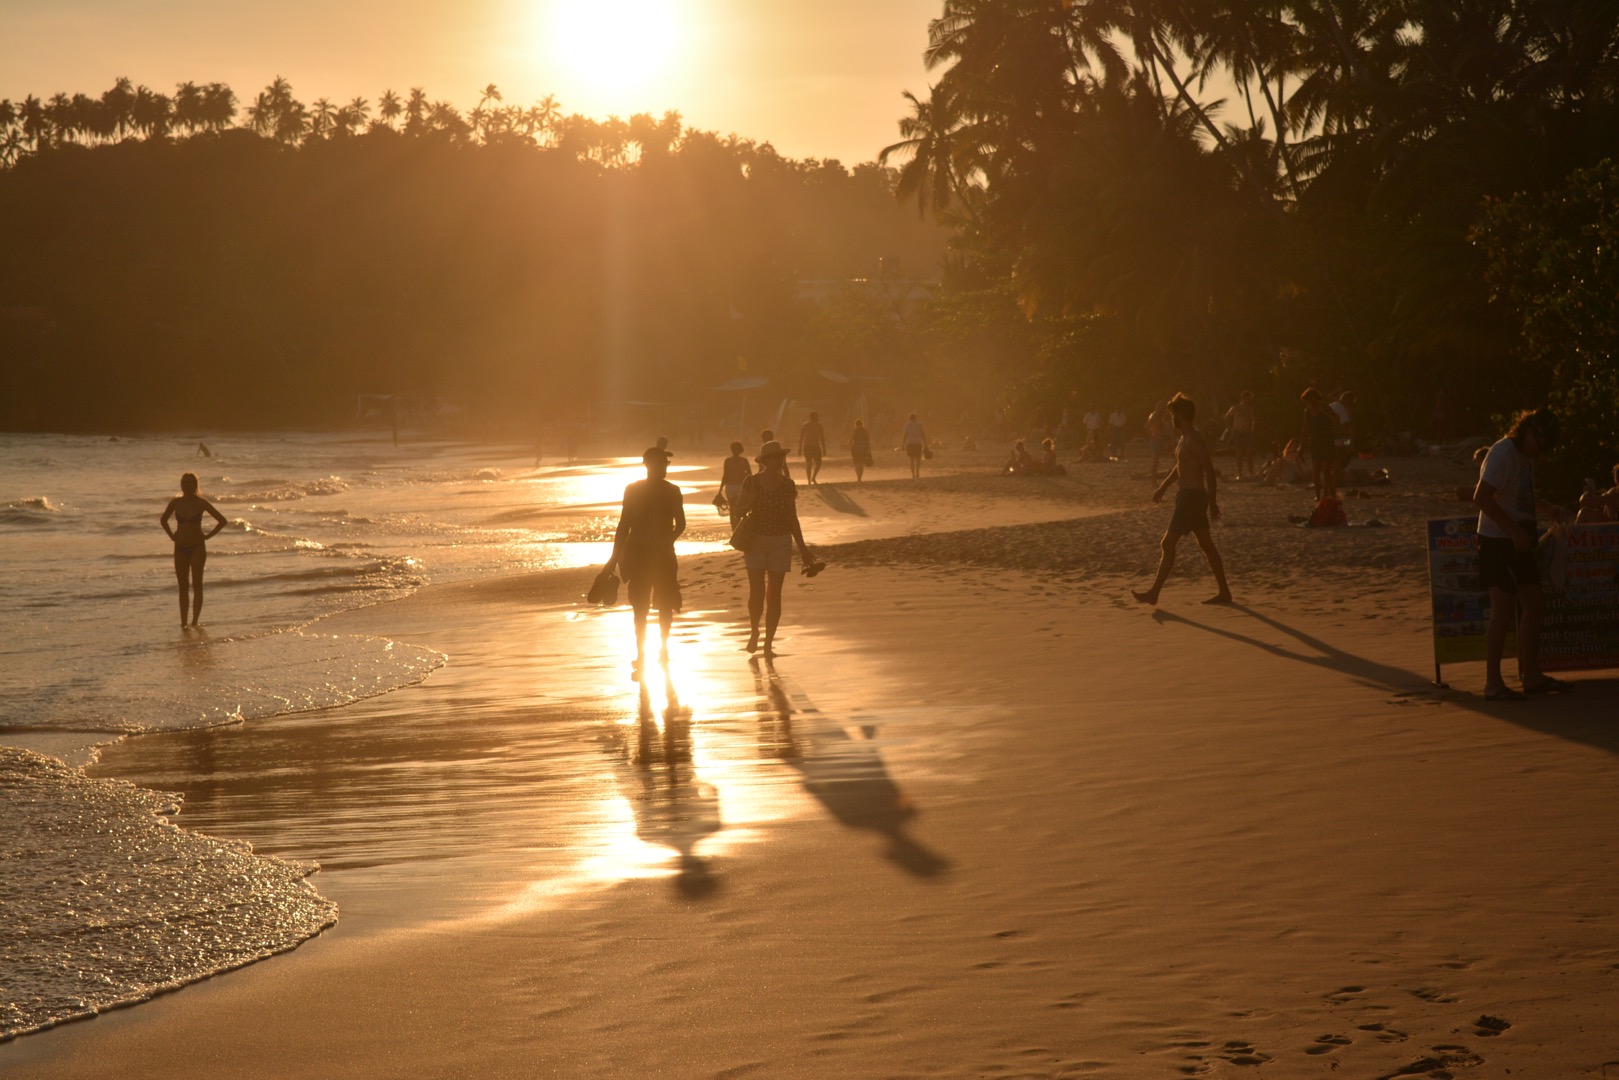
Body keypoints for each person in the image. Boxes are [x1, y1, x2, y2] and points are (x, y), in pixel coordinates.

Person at [1472, 409, 1570, 700]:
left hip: (1521, 540)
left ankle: (1531, 675)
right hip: (1498, 541)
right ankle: (1493, 683)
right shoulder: (1503, 454)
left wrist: (1550, 510)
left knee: (1535, 603)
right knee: (1502, 611)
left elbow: (1522, 496)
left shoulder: (1525, 457)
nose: (1541, 451)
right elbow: (1481, 497)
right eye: (1540, 444)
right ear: (1528, 431)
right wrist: (1513, 530)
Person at [1132, 394, 1233, 606]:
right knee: (1206, 545)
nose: (1171, 419)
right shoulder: (1182, 440)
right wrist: (1163, 486)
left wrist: (1212, 501)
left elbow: (1209, 471)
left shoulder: (1194, 440)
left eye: (1173, 415)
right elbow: (1180, 468)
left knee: (1167, 543)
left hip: (1192, 498)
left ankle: (1154, 593)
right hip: (1186, 497)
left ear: (1181, 416)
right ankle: (1224, 592)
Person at [606, 447, 687, 678]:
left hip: (653, 555)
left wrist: (666, 541)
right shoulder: (636, 490)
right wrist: (613, 558)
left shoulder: (670, 491)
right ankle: (643, 655)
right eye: (659, 463)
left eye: (665, 464)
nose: (663, 467)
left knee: (662, 605)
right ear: (647, 465)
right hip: (643, 555)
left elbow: (681, 524)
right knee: (642, 608)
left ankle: (662, 651)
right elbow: (623, 526)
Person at [734, 441, 821, 656]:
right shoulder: (751, 482)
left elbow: (792, 518)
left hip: (781, 542)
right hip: (755, 541)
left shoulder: (787, 485)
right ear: (765, 461)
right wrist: (751, 503)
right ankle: (755, 631)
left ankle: (768, 643)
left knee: (774, 595)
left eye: (781, 457)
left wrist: (803, 549)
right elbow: (738, 511)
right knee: (757, 592)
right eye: (775, 457)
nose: (779, 461)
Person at [160, 472, 227, 629]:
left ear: (196, 485)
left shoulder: (201, 503)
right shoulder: (176, 503)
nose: (187, 485)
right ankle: (183, 622)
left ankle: (195, 621)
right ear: (181, 485)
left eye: (190, 483)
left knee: (197, 584)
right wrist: (172, 536)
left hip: (197, 547)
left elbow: (222, 521)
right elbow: (163, 520)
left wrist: (208, 536)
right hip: (180, 548)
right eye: (184, 483)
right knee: (183, 586)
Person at [1299, 388, 1340, 500]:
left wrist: (1325, 412)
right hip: (1315, 442)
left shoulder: (1325, 407)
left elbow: (1337, 420)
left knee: (1326, 470)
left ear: (1314, 399)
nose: (1309, 403)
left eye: (1309, 400)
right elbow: (1305, 430)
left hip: (1327, 441)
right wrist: (1301, 447)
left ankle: (1331, 493)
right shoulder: (1307, 411)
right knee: (1316, 469)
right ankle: (1317, 495)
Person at [717, 441, 751, 526]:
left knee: (732, 509)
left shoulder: (728, 461)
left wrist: (720, 490)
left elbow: (725, 476)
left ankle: (734, 528)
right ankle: (738, 526)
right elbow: (749, 475)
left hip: (730, 487)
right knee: (740, 508)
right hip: (741, 487)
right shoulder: (744, 461)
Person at [1225, 391, 1257, 479]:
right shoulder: (1236, 408)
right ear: (1243, 398)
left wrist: (1252, 428)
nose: (1249, 401)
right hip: (1238, 432)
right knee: (1239, 453)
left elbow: (1253, 419)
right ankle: (1240, 473)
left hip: (1247, 432)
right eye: (1247, 398)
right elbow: (1226, 417)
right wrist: (1230, 429)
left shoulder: (1250, 408)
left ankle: (1251, 472)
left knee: (1249, 453)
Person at [799, 411, 827, 485]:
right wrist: (824, 449)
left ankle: (811, 478)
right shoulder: (814, 426)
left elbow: (801, 438)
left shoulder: (814, 426)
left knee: (814, 463)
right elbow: (822, 438)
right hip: (812, 446)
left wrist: (799, 448)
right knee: (813, 463)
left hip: (810, 446)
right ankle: (811, 478)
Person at [1146, 401, 1170, 479]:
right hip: (1156, 439)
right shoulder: (1154, 416)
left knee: (1156, 460)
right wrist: (1151, 436)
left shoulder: (1158, 416)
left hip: (1157, 439)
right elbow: (1147, 426)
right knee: (1155, 461)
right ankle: (1153, 478)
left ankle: (1154, 477)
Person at [901, 413, 928, 480]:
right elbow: (923, 435)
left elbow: (905, 435)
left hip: (910, 444)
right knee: (918, 459)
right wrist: (925, 443)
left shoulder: (907, 425)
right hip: (918, 444)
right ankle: (917, 471)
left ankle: (913, 474)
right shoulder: (920, 425)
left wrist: (903, 445)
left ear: (909, 419)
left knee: (911, 459)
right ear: (915, 418)